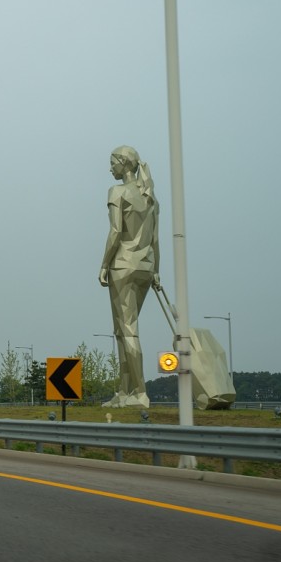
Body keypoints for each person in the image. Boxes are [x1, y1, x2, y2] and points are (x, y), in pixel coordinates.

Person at [99, 145, 160, 408]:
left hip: (122, 265)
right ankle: (125, 392)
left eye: (112, 163)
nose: (110, 168)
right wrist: (156, 270)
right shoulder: (150, 197)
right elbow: (155, 239)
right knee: (123, 331)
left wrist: (103, 264)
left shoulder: (118, 192)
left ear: (123, 163)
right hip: (145, 266)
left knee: (127, 330)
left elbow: (115, 232)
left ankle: (140, 392)